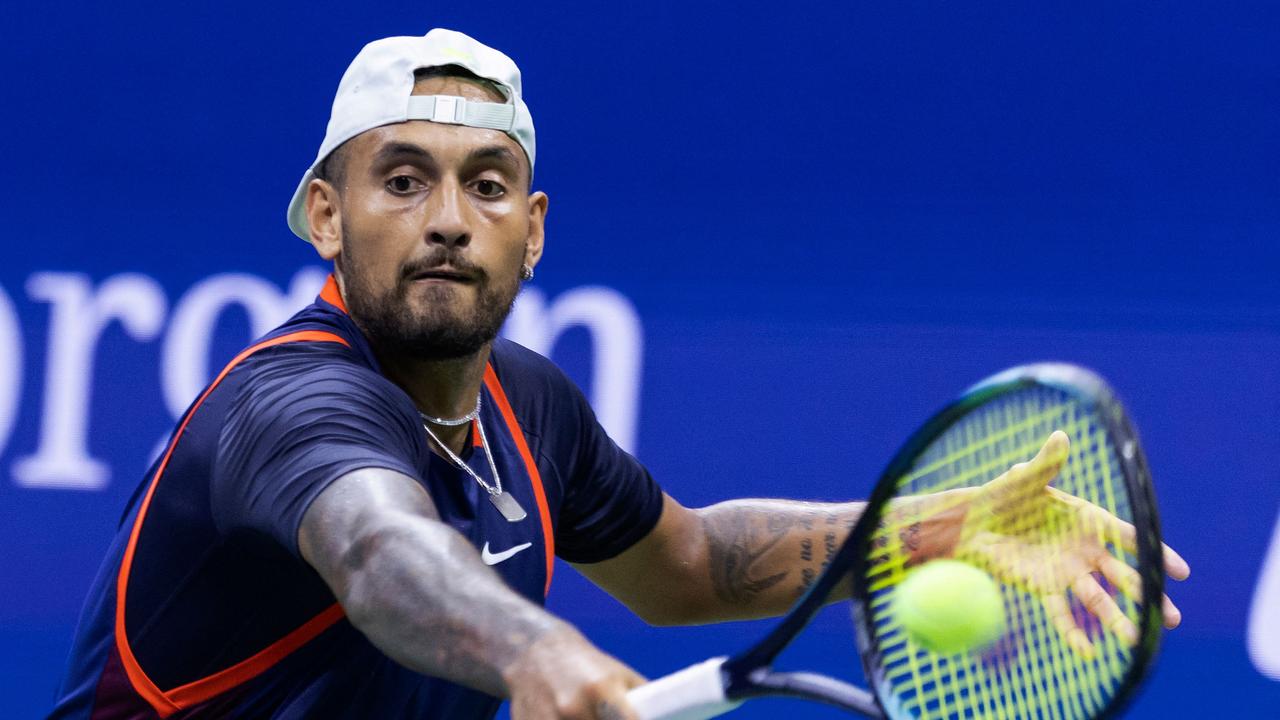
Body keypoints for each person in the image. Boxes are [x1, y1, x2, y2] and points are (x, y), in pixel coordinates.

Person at [48, 29, 1190, 720]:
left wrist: (916, 534)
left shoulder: (528, 406)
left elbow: (683, 566)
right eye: (402, 181)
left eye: (486, 185)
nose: (448, 220)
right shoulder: (288, 401)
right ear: (323, 217)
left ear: (532, 230)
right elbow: (378, 550)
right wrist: (535, 651)